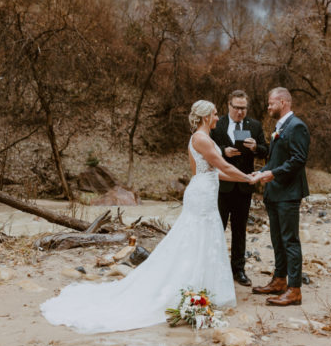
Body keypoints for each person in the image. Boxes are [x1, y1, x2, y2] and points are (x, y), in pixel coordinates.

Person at [41, 100, 258, 332]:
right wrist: (249, 178)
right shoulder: (201, 139)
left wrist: (248, 177)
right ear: (206, 117)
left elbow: (216, 174)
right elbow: (223, 166)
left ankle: (202, 286)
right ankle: (187, 286)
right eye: (215, 114)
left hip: (205, 191)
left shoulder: (205, 139)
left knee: (203, 240)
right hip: (201, 196)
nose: (218, 117)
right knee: (195, 238)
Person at [252, 86, 310, 307]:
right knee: (277, 239)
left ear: (283, 103)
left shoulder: (297, 127)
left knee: (290, 241)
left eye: (271, 103)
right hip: (275, 193)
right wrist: (262, 171)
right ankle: (279, 281)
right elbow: (277, 159)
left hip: (288, 193)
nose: (268, 107)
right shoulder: (280, 127)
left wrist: (273, 173)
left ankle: (294, 289)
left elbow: (298, 159)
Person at [211, 89, 268, 285]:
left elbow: (265, 150)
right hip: (221, 186)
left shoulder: (255, 125)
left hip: (244, 187)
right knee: (217, 228)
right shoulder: (218, 125)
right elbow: (207, 147)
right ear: (229, 106)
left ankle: (239, 270)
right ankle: (215, 268)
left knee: (239, 230)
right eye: (236, 108)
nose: (240, 112)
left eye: (243, 108)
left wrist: (255, 148)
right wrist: (223, 151)